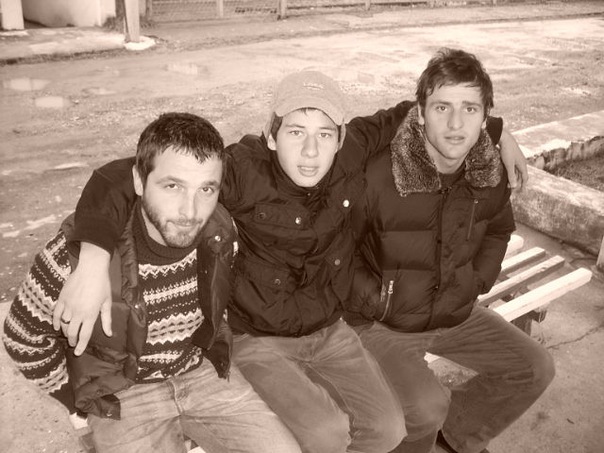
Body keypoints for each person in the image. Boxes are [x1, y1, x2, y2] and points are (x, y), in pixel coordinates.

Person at [50, 70, 526, 452]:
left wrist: (498, 133)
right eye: (296, 132)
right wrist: (92, 261)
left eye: (324, 134)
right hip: (258, 338)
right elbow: (124, 175)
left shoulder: (348, 153)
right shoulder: (243, 170)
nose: (311, 151)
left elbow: (422, 114)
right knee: (325, 433)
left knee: (388, 429)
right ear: (271, 135)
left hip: (330, 330)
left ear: (342, 137)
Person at [2, 112, 301, 453]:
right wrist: (74, 400)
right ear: (139, 181)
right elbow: (22, 338)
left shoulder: (221, 234)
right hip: (123, 394)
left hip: (199, 372)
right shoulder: (71, 259)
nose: (190, 210)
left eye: (206, 189)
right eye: (172, 186)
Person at [347, 48, 555, 453]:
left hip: (455, 310)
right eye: (442, 107)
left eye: (469, 109)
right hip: (384, 324)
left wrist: (476, 282)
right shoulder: (379, 174)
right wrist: (376, 301)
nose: (456, 124)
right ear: (420, 114)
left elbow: (499, 229)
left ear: (485, 117)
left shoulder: (487, 170)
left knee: (534, 367)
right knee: (426, 407)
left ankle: (456, 436)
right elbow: (339, 248)